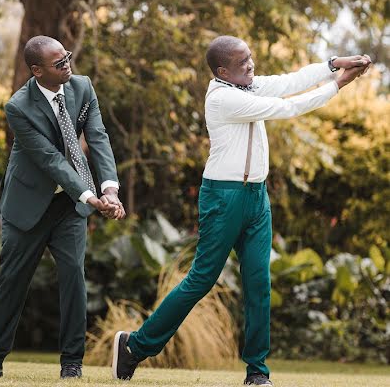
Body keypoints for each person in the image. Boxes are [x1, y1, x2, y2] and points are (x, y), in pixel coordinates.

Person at [112, 36, 372, 387]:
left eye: (250, 58)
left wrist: (331, 64)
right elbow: (286, 107)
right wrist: (337, 85)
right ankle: (135, 346)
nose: (251, 65)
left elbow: (288, 82)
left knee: (258, 284)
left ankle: (257, 373)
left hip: (256, 198)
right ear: (223, 71)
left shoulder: (247, 85)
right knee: (201, 280)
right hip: (223, 197)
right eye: (242, 62)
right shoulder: (223, 98)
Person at [0, 35, 125, 380]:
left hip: (68, 206)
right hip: (28, 204)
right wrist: (90, 196)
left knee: (74, 278)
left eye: (67, 58)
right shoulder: (18, 107)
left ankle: (71, 364)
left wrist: (110, 189)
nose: (68, 66)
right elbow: (50, 159)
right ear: (37, 70)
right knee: (12, 281)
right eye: (59, 63)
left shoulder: (83, 87)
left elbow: (98, 136)